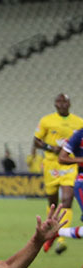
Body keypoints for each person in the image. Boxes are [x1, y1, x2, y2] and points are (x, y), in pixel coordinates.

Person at [33, 94, 83, 254]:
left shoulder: (78, 122)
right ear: (55, 104)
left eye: (65, 101)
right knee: (53, 202)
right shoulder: (46, 120)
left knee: (67, 199)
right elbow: (36, 141)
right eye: (59, 101)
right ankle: (52, 233)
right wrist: (50, 148)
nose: (62, 104)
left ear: (70, 104)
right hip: (51, 165)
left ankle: (60, 238)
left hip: (71, 167)